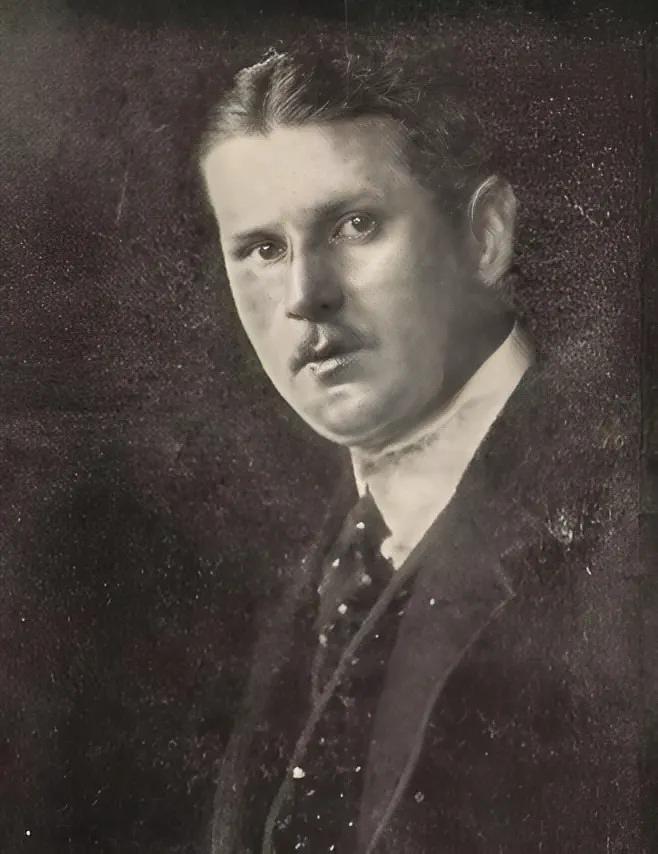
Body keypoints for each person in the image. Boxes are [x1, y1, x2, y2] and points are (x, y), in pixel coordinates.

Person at [198, 46, 639, 853]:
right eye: (263, 249)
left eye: (355, 225)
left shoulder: (626, 526)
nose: (304, 295)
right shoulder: (324, 554)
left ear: (484, 237)